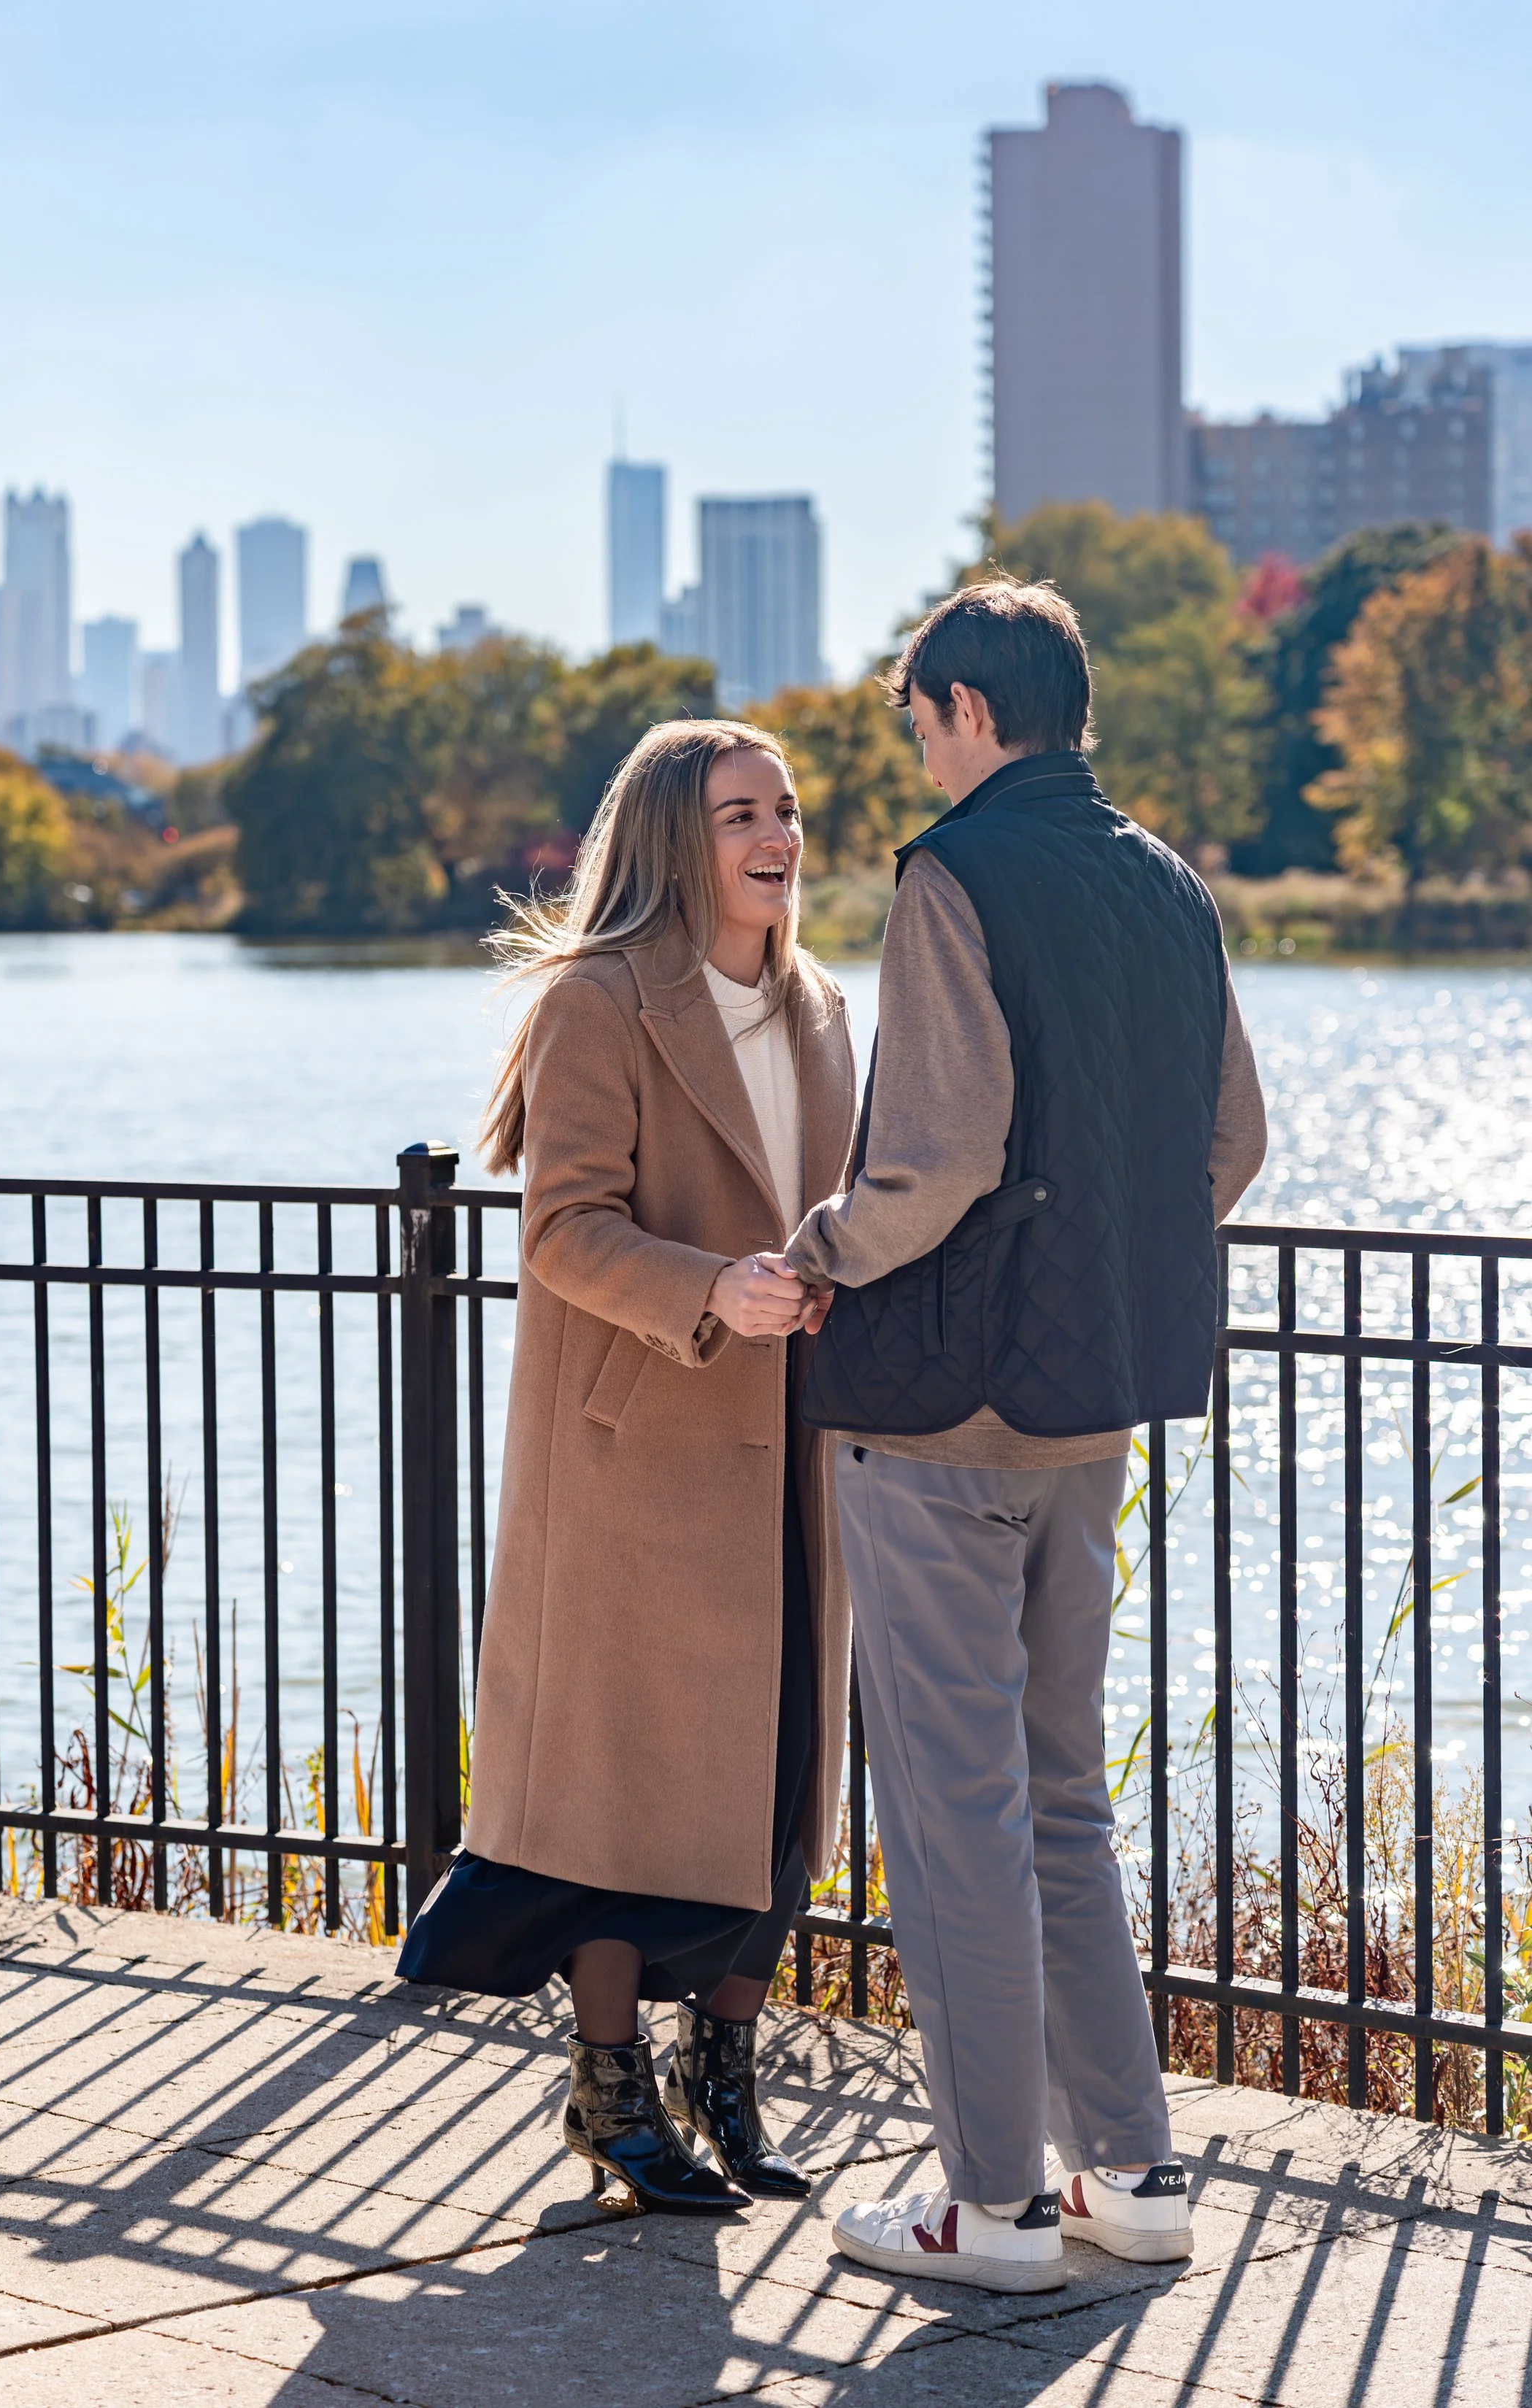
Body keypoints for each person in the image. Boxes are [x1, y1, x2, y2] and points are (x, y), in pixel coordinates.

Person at [780, 581, 1268, 2293]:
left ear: (971, 710)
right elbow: (1230, 1142)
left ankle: (985, 2202)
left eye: (917, 712)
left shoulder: (951, 874)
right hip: (1089, 1406)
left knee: (953, 1811)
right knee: (1061, 1795)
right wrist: (1091, 1269)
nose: (914, 739)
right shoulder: (1167, 886)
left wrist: (812, 1256)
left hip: (937, 1410)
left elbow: (928, 1162)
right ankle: (1128, 2178)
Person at [399, 718, 857, 2218]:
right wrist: (710, 1291)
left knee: (778, 1772)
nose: (776, 834)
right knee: (621, 1794)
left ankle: (724, 2072)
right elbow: (559, 1231)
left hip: (794, 1456)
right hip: (640, 1459)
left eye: (784, 808)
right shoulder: (595, 1005)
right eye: (740, 814)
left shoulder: (823, 1013)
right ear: (674, 839)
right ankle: (609, 2087)